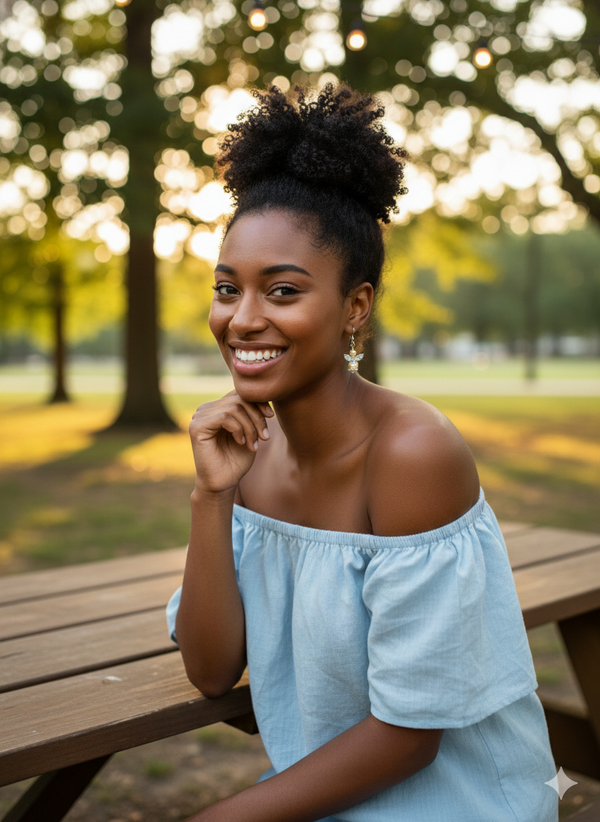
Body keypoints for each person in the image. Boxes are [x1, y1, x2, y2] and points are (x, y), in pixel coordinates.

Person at [166, 83, 558, 822]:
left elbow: (410, 740)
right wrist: (212, 496)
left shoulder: (414, 454)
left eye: (282, 291)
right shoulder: (250, 452)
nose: (243, 319)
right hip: (325, 797)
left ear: (355, 306)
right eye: (227, 288)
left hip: (454, 804)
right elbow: (213, 670)